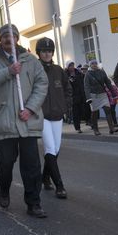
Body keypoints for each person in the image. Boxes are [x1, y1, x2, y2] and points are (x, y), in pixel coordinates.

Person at [0, 24, 48, 218]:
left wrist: (31, 108)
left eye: (12, 35)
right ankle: (4, 190)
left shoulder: (31, 60)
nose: (9, 39)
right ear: (0, 39)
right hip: (3, 122)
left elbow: (41, 84)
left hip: (27, 122)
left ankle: (34, 203)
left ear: (17, 38)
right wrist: (8, 72)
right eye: (5, 36)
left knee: (32, 166)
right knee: (5, 164)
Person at [36, 37, 71, 199]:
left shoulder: (59, 70)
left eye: (49, 51)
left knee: (55, 149)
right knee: (50, 148)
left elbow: (67, 89)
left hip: (57, 114)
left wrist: (65, 106)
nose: (47, 54)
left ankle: (45, 177)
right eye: (44, 51)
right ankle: (60, 186)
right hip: (42, 115)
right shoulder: (35, 68)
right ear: (39, 53)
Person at [83, 59, 117, 135]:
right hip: (93, 95)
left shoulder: (101, 72)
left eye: (95, 63)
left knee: (108, 110)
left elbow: (108, 82)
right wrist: (88, 97)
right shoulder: (88, 74)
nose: (94, 65)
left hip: (102, 94)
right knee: (94, 112)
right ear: (90, 65)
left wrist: (113, 93)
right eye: (92, 64)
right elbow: (86, 87)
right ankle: (95, 129)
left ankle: (111, 128)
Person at [65, 61, 85, 133]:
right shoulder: (65, 75)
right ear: (67, 67)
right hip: (72, 97)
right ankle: (77, 127)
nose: (72, 67)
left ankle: (89, 122)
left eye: (73, 65)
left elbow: (83, 82)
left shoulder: (79, 73)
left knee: (84, 110)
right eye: (70, 66)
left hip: (81, 95)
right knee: (75, 113)